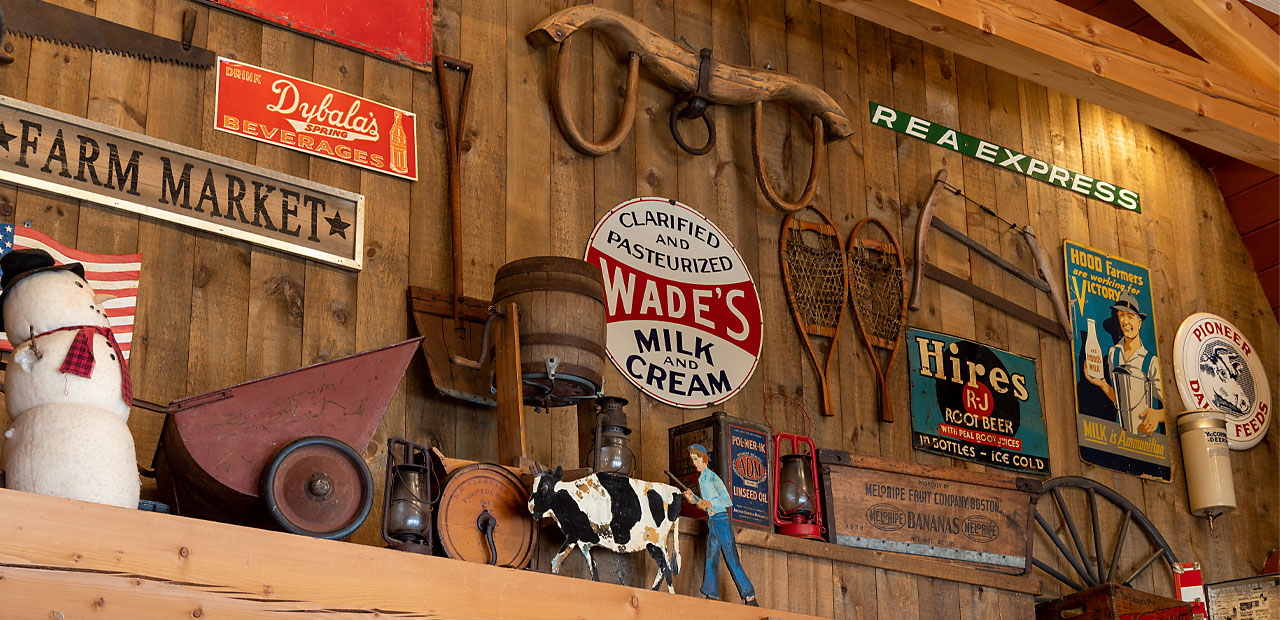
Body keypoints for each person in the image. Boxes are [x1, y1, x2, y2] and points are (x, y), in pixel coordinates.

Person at [683, 443, 757, 606]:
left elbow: (726, 500)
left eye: (696, 459)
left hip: (722, 521)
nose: (694, 463)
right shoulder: (701, 478)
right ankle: (712, 592)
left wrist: (707, 503)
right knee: (711, 557)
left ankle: (749, 595)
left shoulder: (712, 477)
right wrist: (693, 499)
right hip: (712, 522)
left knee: (731, 558)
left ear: (703, 459)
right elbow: (704, 503)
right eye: (692, 460)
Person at [1085, 294, 1163, 434]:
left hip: (1146, 439)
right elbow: (1121, 401)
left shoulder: (1151, 362)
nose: (1125, 322)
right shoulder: (1113, 353)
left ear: (1139, 323)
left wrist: (1157, 415)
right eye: (1121, 315)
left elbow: (1169, 408)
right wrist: (1102, 383)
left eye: (1130, 316)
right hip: (1120, 434)